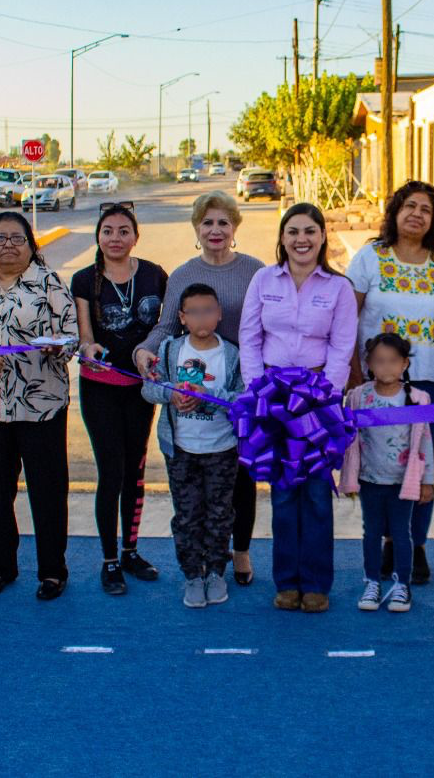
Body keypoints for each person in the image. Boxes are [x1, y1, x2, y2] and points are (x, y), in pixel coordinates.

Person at [135, 190, 265, 585]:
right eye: (207, 222)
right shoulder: (184, 275)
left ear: (235, 227)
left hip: (240, 385)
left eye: (223, 222)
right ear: (196, 228)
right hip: (197, 387)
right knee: (200, 487)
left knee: (241, 477)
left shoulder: (255, 271)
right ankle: (201, 563)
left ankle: (239, 551)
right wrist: (145, 350)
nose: (215, 229)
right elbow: (165, 326)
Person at [0, 212, 79, 602]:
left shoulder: (50, 283)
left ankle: (53, 571)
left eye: (17, 238)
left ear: (31, 245)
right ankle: (2, 567)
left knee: (48, 491)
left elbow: (71, 334)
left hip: (41, 407)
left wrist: (60, 346)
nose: (8, 245)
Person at [240, 202, 358, 613]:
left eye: (309, 231)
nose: (301, 239)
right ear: (282, 238)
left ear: (322, 236)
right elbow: (250, 338)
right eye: (293, 231)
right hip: (272, 399)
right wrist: (259, 389)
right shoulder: (262, 279)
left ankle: (317, 584)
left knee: (316, 496)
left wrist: (325, 396)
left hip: (317, 400)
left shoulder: (338, 288)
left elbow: (343, 345)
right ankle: (287, 582)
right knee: (285, 495)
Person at [346, 180, 434, 585]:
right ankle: (384, 540)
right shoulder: (370, 257)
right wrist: (354, 372)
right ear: (395, 212)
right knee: (379, 466)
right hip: (374, 384)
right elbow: (348, 318)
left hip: (425, 383)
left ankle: (414, 546)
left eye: (426, 209)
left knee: (418, 463)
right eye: (409, 206)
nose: (417, 214)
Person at [71, 202, 166, 595]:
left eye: (123, 230)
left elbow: (164, 325)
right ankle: (109, 560)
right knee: (111, 473)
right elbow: (85, 334)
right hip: (100, 388)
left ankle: (131, 550)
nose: (115, 238)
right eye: (108, 230)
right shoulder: (83, 279)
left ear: (135, 236)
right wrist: (89, 349)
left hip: (140, 390)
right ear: (98, 236)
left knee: (135, 471)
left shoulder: (155, 275)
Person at [141, 284, 245, 608]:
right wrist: (171, 393)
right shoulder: (172, 350)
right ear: (183, 317)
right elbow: (149, 388)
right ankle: (192, 575)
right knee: (187, 516)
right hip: (181, 450)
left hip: (221, 449)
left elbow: (241, 399)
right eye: (194, 312)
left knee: (219, 515)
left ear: (219, 314)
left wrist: (209, 397)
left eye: (209, 310)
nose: (203, 317)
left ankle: (215, 572)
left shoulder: (231, 354)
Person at [340, 333, 434, 613]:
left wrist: (427, 481)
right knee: (370, 533)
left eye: (393, 361)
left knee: (401, 533)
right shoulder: (358, 396)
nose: (386, 368)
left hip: (402, 481)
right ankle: (372, 582)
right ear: (369, 364)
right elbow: (349, 440)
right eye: (379, 362)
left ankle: (401, 585)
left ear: (405, 364)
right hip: (370, 480)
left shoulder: (418, 399)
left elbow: (425, 442)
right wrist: (348, 476)